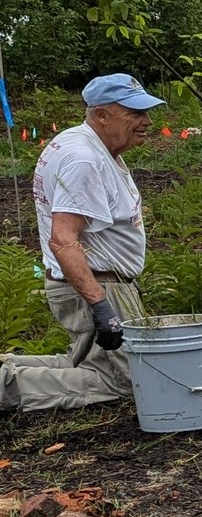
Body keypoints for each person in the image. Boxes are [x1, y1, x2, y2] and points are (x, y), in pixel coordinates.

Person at [1, 75, 163, 414]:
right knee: (124, 381)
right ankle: (6, 385)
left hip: (95, 280)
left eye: (146, 111)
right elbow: (63, 239)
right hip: (96, 282)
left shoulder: (83, 144)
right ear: (102, 114)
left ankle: (6, 368)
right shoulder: (85, 158)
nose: (147, 121)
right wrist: (101, 305)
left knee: (90, 364)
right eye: (134, 112)